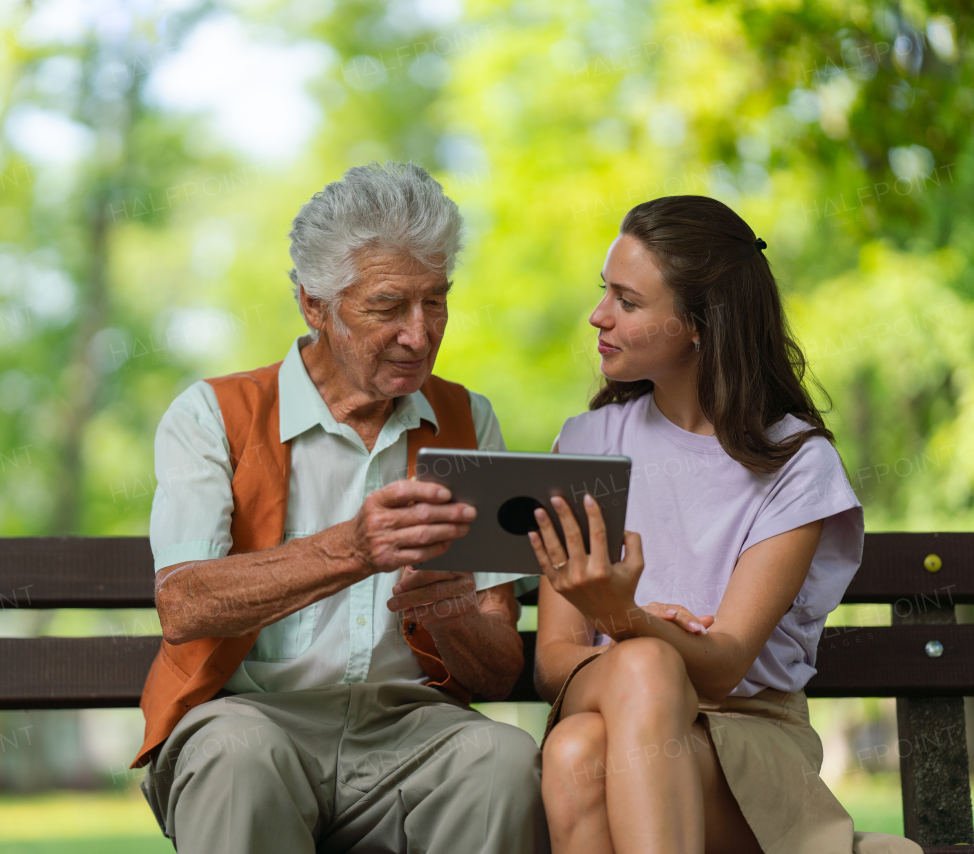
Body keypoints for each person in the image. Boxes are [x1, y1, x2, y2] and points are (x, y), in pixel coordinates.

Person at [132, 161, 548, 854]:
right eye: (387, 308)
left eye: (436, 302)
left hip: (411, 733)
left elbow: (496, 670)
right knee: (238, 753)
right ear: (314, 307)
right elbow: (184, 604)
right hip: (253, 717)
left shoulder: (468, 417)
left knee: (500, 760)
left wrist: (447, 614)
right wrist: (352, 549)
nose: (419, 334)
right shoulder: (212, 415)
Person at [530, 195, 921, 854]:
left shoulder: (796, 463)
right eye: (606, 293)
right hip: (606, 698)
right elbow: (553, 663)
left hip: (744, 736)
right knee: (640, 672)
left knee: (575, 752)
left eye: (628, 302)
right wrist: (641, 639)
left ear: (700, 326)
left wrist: (626, 619)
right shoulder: (586, 443)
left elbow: (724, 665)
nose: (598, 316)